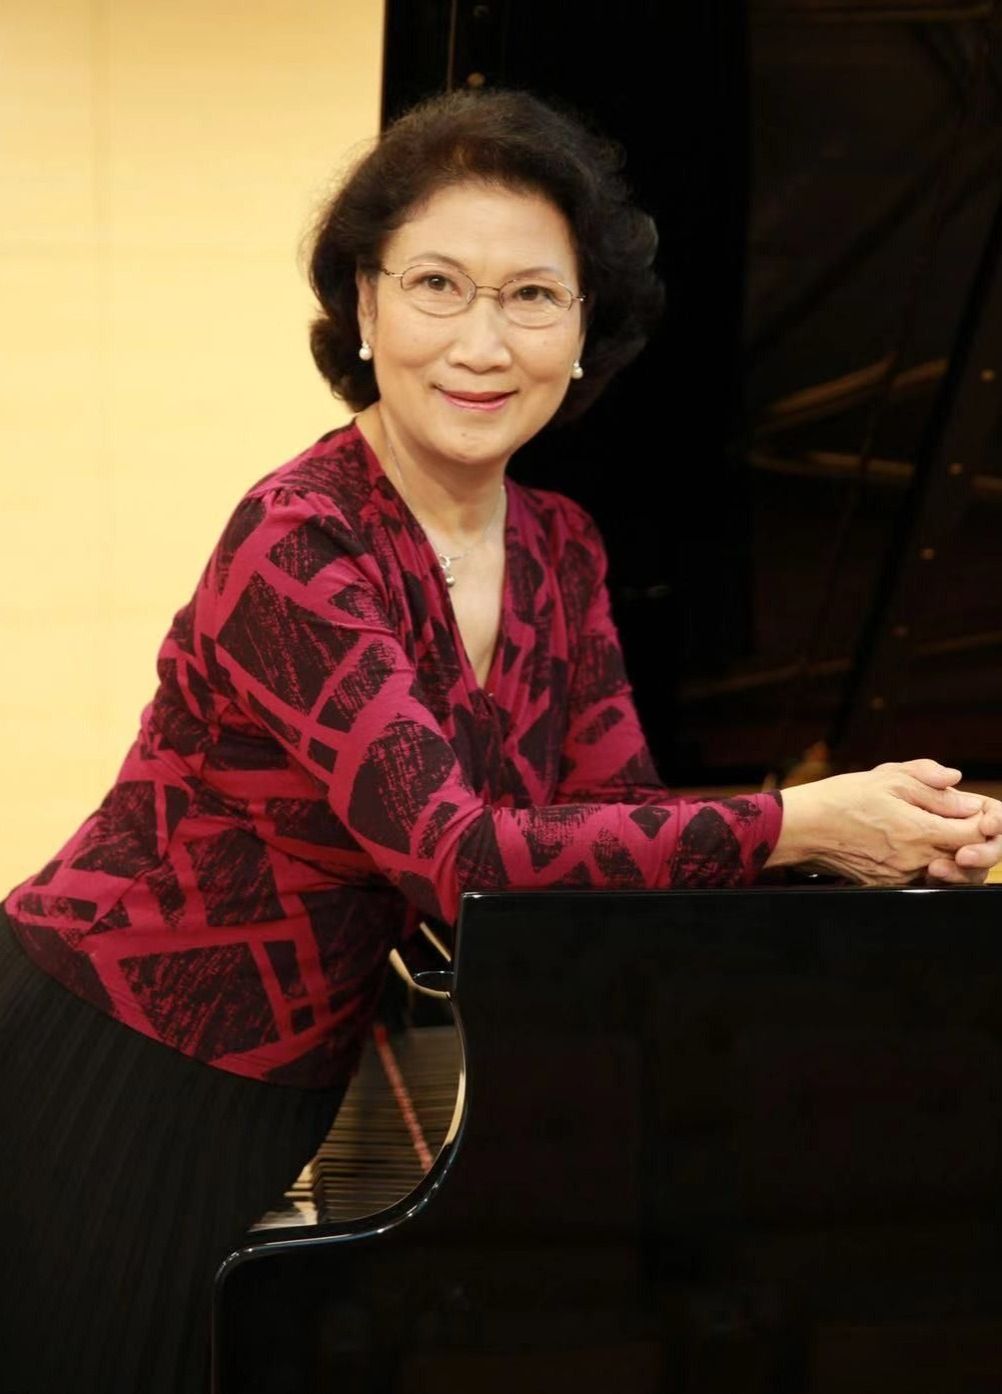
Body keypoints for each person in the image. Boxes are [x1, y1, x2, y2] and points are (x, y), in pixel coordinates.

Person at [2, 88, 1000, 1394]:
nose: (482, 341)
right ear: (363, 307)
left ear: (586, 332)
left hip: (284, 1080)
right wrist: (800, 822)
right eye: (436, 285)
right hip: (111, 1059)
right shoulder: (299, 543)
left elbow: (617, 814)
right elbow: (460, 859)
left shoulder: (559, 547)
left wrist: (879, 832)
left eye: (532, 296)